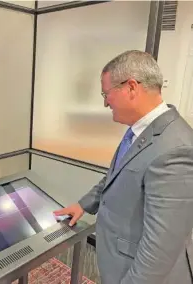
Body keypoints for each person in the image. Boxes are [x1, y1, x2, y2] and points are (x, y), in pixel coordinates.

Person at [54, 50, 193, 283]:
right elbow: (115, 175)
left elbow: (160, 248)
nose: (105, 102)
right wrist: (84, 205)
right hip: (119, 261)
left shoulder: (175, 148)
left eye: (106, 93)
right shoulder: (139, 130)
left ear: (131, 87)